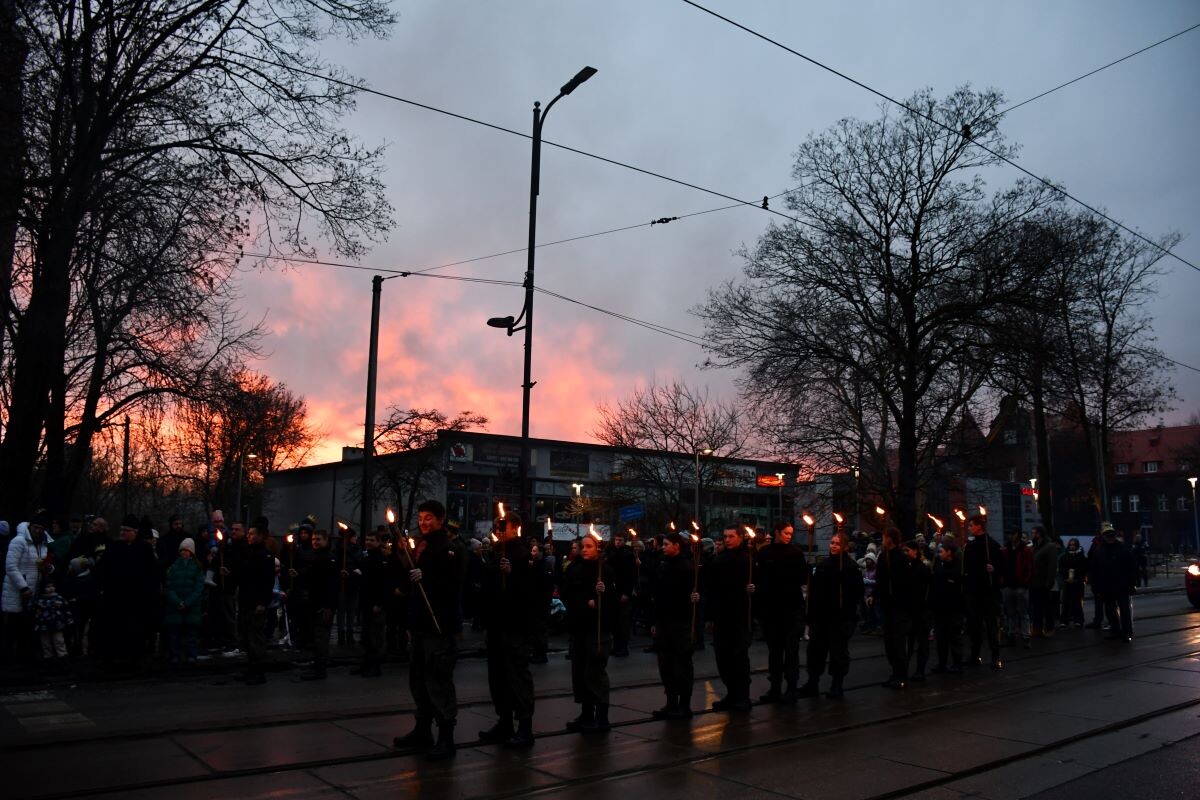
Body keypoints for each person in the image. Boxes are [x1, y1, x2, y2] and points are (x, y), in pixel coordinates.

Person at [393, 500, 466, 761]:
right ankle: (423, 729)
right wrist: (402, 556)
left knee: (438, 681)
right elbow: (409, 581)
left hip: (439, 626)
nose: (423, 522)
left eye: (429, 518)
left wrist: (427, 578)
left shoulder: (450, 548)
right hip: (420, 625)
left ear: (440, 519)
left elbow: (453, 586)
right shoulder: (421, 545)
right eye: (421, 517)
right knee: (419, 680)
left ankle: (446, 737)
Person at [477, 511, 538, 749]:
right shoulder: (496, 553)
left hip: (515, 626)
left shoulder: (523, 555)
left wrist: (511, 576)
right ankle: (504, 721)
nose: (499, 530)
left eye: (503, 526)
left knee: (517, 676)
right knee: (498, 677)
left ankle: (525, 726)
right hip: (496, 624)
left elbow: (531, 592)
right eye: (497, 527)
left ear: (515, 528)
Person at [798, 532, 864, 699]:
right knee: (815, 652)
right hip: (821, 618)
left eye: (837, 543)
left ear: (845, 547)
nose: (833, 546)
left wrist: (848, 618)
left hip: (839, 619)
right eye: (832, 542)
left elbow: (856, 594)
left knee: (838, 653)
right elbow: (814, 592)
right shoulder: (823, 565)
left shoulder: (850, 567)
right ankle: (813, 683)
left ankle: (837, 685)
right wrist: (810, 614)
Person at [562, 533, 615, 732]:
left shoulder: (605, 570)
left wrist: (603, 595)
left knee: (595, 672)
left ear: (598, 549)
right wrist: (584, 602)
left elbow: (614, 600)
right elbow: (567, 594)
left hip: (597, 630)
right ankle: (586, 713)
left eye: (589, 546)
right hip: (579, 627)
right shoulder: (574, 569)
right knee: (580, 673)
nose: (584, 549)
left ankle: (602, 717)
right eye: (582, 546)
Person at [97, 514, 159, 669]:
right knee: (117, 629)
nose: (122, 533)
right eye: (121, 530)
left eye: (126, 530)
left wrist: (150, 594)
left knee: (135, 629)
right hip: (116, 597)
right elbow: (102, 569)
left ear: (135, 532)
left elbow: (152, 573)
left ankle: (135, 658)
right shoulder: (114, 547)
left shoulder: (144, 549)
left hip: (137, 598)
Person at [755, 520, 807, 703]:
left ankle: (791, 688)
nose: (789, 536)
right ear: (777, 532)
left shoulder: (796, 553)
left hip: (791, 609)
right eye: (786, 533)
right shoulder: (765, 553)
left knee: (791, 652)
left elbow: (803, 578)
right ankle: (775, 687)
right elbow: (760, 579)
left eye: (790, 533)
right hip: (772, 611)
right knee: (774, 652)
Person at [650, 530, 699, 718]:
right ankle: (671, 702)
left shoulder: (687, 567)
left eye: (666, 545)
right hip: (664, 622)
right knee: (666, 664)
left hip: (681, 622)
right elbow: (658, 595)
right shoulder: (662, 566)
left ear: (677, 546)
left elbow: (694, 592)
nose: (663, 548)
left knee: (682, 664)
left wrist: (695, 597)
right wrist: (655, 621)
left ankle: (684, 705)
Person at [707, 526, 754, 712]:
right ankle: (732, 693)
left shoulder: (747, 559)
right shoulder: (719, 560)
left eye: (731, 536)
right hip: (722, 616)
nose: (727, 540)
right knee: (723, 658)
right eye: (725, 536)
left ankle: (743, 696)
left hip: (740, 615)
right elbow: (712, 588)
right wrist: (710, 615)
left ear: (741, 537)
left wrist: (753, 588)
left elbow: (758, 583)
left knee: (739, 658)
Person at [3, 514, 54, 662]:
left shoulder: (43, 543)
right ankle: (7, 659)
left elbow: (42, 565)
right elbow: (11, 567)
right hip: (17, 590)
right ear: (30, 526)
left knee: (26, 627)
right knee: (12, 626)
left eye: (41, 528)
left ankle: (23, 657)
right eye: (35, 527)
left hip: (33, 591)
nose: (37, 531)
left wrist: (49, 568)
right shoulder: (19, 541)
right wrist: (23, 587)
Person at [233, 518, 276, 684]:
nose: (249, 536)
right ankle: (250, 668)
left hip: (256, 603)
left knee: (255, 638)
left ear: (260, 536)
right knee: (246, 637)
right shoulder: (248, 552)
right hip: (245, 600)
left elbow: (267, 582)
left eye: (252, 534)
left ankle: (259, 672)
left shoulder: (265, 555)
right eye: (248, 533)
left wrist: (262, 603)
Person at [875, 527, 915, 689]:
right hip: (887, 606)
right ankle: (894, 672)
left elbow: (906, 583)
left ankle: (901, 674)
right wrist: (875, 595)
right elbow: (879, 580)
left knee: (898, 642)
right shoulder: (883, 557)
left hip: (899, 607)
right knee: (889, 642)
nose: (883, 540)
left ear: (890, 539)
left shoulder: (901, 558)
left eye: (884, 537)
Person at [963, 514, 1003, 669]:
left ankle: (995, 656)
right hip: (974, 592)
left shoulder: (992, 545)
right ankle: (975, 655)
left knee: (992, 625)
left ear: (979, 526)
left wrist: (994, 569)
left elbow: (1002, 567)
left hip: (988, 592)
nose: (969, 528)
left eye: (971, 525)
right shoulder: (970, 546)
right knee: (974, 626)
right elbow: (966, 568)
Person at [299, 528, 338, 680]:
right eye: (313, 539)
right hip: (313, 603)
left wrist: (328, 606)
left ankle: (320, 669)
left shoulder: (330, 558)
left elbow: (332, 585)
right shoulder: (313, 556)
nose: (315, 542)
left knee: (321, 637)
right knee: (315, 637)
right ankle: (316, 663)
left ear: (326, 540)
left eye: (318, 539)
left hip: (323, 605)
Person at [354, 527, 393, 678]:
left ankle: (375, 666)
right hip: (366, 602)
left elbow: (384, 584)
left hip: (376, 604)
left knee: (375, 637)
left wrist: (380, 604)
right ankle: (366, 663)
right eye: (367, 540)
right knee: (366, 636)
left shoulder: (381, 559)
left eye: (371, 540)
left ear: (378, 542)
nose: (368, 542)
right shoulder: (367, 558)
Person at [1089, 524, 1137, 642]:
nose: (1110, 537)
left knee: (1124, 611)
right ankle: (1116, 631)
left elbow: (1131, 568)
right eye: (1108, 535)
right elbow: (1094, 570)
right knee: (1111, 611)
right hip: (1107, 586)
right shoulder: (1100, 551)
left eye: (1111, 535)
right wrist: (1095, 587)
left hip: (1121, 585)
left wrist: (1131, 584)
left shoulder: (1121, 549)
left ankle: (1126, 632)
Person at [163, 538, 205, 664]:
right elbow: (169, 587)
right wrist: (177, 602)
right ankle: (175, 655)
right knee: (174, 634)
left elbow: (198, 588)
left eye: (186, 550)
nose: (183, 552)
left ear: (191, 552)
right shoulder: (173, 567)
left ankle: (191, 655)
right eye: (182, 550)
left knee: (191, 634)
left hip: (191, 606)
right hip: (175, 606)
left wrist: (187, 603)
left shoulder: (197, 568)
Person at [930, 540, 965, 673]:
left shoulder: (958, 567)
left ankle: (957, 663)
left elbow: (957, 585)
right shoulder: (939, 565)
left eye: (941, 551)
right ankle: (942, 663)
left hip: (953, 608)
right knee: (941, 638)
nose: (939, 554)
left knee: (954, 637)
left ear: (949, 552)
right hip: (940, 608)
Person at [902, 539, 932, 681]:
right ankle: (904, 669)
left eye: (907, 550)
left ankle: (920, 670)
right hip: (909, 612)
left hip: (921, 613)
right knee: (907, 643)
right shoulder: (906, 568)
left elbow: (928, 591)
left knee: (922, 643)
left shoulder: (923, 569)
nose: (905, 553)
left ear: (915, 551)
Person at [604, 531, 637, 657]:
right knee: (615, 622)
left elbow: (631, 576)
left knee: (623, 621)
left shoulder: (628, 554)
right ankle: (617, 646)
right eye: (616, 540)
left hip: (623, 591)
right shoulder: (611, 552)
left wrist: (626, 593)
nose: (617, 542)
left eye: (620, 540)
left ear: (624, 541)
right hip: (613, 591)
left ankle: (623, 647)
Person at [999, 528, 1033, 648]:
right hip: (1009, 584)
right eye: (1009, 534)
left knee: (1021, 612)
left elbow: (1029, 567)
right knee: (1012, 612)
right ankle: (1014, 635)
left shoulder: (1024, 550)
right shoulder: (1006, 550)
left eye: (1012, 534)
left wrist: (1025, 582)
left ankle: (1024, 636)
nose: (1010, 536)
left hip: (1019, 585)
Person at [1029, 526, 1060, 637]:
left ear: (1040, 534)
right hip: (1034, 582)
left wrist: (1049, 582)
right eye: (1032, 533)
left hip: (1044, 582)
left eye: (1034, 533)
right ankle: (1037, 628)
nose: (1032, 535)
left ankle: (1049, 627)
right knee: (1036, 607)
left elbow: (1052, 565)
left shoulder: (1049, 547)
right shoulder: (1034, 547)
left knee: (1047, 606)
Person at [32, 580, 72, 666]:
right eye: (48, 586)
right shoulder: (39, 599)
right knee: (45, 642)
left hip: (57, 624)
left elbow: (66, 609)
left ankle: (63, 658)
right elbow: (33, 609)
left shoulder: (59, 598)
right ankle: (48, 659)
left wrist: (69, 619)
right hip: (43, 625)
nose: (51, 588)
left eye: (52, 586)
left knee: (59, 641)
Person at [1059, 538, 1087, 627]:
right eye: (1070, 545)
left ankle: (1078, 620)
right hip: (1067, 582)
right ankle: (1064, 620)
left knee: (1077, 602)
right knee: (1065, 602)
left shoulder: (1081, 557)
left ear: (1077, 545)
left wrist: (1076, 575)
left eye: (1074, 545)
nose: (1072, 546)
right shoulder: (1064, 556)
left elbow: (1084, 569)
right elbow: (1061, 568)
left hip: (1077, 582)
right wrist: (1066, 577)